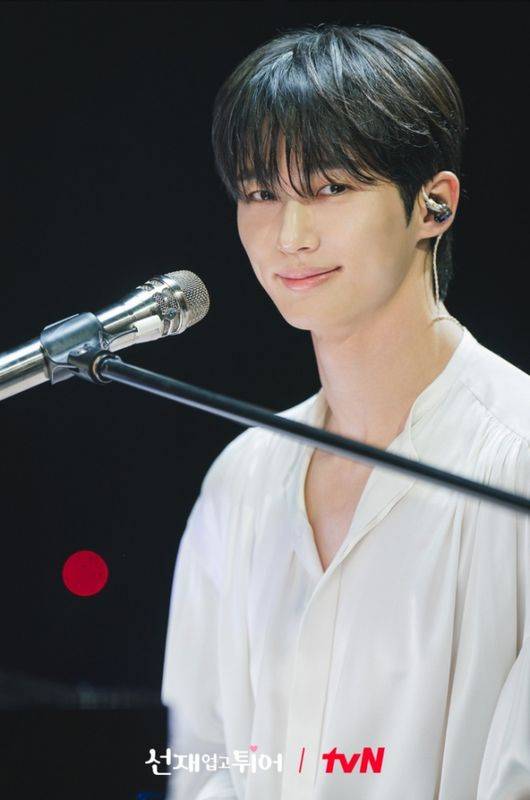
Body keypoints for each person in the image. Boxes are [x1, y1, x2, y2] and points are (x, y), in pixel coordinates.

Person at [161, 23, 530, 800]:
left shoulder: (515, 454)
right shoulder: (241, 479)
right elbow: (200, 762)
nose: (290, 236)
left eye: (329, 188)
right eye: (260, 193)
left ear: (434, 204)